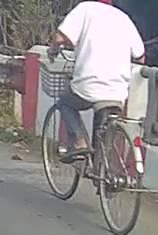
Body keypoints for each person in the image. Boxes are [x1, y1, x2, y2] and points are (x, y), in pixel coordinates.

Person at [49, 0, 145, 162]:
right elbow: (140, 57)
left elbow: (59, 37)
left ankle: (79, 141)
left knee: (65, 102)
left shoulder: (85, 8)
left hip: (88, 84)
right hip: (118, 91)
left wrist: (53, 50)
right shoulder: (123, 18)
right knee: (104, 123)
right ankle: (101, 168)